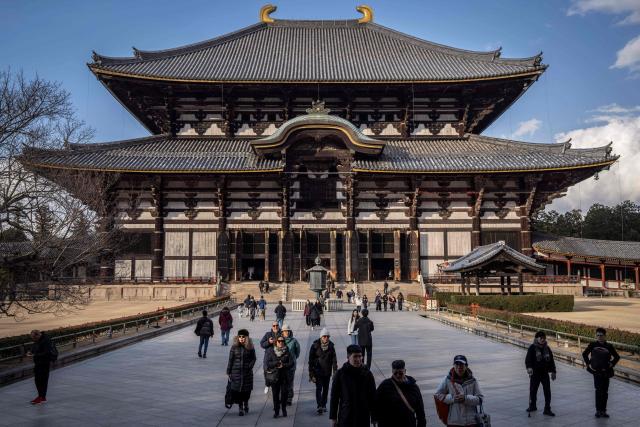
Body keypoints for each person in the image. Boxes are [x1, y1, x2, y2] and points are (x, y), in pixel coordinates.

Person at [329, 344, 377, 427]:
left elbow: (372, 397)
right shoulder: (341, 374)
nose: (358, 359)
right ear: (348, 357)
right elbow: (334, 397)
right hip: (346, 416)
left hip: (363, 416)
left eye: (360, 356)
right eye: (355, 356)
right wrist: (333, 418)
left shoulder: (367, 374)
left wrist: (374, 417)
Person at [434, 355, 483, 427]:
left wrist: (466, 398)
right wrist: (453, 398)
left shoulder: (473, 381)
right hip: (454, 422)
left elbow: (480, 399)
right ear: (453, 366)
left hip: (471, 422)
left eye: (462, 365)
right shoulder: (447, 379)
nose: (459, 367)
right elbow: (438, 395)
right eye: (457, 364)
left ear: (466, 366)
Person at [582, 327, 620, 418]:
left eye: (601, 335)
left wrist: (612, 364)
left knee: (605, 392)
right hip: (596, 372)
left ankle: (604, 411)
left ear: (605, 336)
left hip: (606, 372)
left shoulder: (609, 346)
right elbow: (584, 354)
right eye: (597, 335)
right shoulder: (593, 344)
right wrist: (588, 364)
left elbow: (617, 357)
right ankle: (598, 411)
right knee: (598, 391)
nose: (599, 337)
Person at [375, 360, 427, 427]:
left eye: (400, 373)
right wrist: (375, 418)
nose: (397, 375)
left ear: (405, 371)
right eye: (395, 373)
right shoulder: (385, 385)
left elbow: (420, 410)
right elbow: (375, 403)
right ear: (392, 372)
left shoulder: (413, 387)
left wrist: (421, 424)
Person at [525, 331, 556, 416]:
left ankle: (547, 409)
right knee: (533, 390)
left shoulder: (547, 348)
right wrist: (529, 368)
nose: (542, 339)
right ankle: (533, 405)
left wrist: (553, 371)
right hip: (535, 373)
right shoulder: (532, 348)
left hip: (544, 373)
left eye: (544, 338)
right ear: (536, 338)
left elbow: (551, 361)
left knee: (547, 391)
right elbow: (528, 360)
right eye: (541, 338)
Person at [226, 329, 256, 416]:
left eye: (243, 337)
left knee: (246, 391)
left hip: (247, 373)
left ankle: (246, 403)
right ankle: (240, 408)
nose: (241, 338)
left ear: (246, 338)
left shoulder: (250, 347)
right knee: (238, 391)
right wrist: (228, 371)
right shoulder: (234, 347)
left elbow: (254, 358)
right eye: (240, 336)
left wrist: (249, 366)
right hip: (236, 372)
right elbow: (230, 360)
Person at [309, 327, 338, 415]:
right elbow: (310, 360)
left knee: (325, 389)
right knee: (319, 388)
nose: (326, 338)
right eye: (324, 336)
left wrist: (335, 372)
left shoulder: (331, 346)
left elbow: (334, 360)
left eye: (327, 336)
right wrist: (311, 373)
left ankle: (324, 404)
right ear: (321, 337)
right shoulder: (315, 346)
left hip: (327, 371)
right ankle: (319, 405)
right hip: (318, 371)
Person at [265, 336, 294, 418]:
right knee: (275, 395)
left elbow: (291, 363)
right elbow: (268, 363)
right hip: (275, 377)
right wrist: (276, 363)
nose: (281, 342)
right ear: (276, 342)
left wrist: (283, 365)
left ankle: (284, 409)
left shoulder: (287, 351)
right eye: (279, 341)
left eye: (282, 341)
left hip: (285, 377)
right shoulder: (271, 351)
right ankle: (277, 411)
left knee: (284, 394)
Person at [28, 330, 56, 405]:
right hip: (38, 363)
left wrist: (34, 355)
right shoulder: (39, 339)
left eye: (33, 338)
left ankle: (41, 397)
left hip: (44, 363)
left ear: (37, 335)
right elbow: (35, 346)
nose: (33, 340)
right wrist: (31, 351)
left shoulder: (46, 340)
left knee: (42, 380)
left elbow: (46, 353)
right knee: (38, 380)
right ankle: (41, 397)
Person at [281, 324, 301, 406]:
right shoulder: (280, 340)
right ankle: (282, 397)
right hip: (282, 365)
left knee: (290, 382)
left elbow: (298, 351)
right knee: (282, 382)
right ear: (282, 332)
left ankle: (289, 398)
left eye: (288, 331)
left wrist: (293, 358)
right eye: (285, 331)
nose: (286, 333)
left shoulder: (294, 341)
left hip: (291, 365)